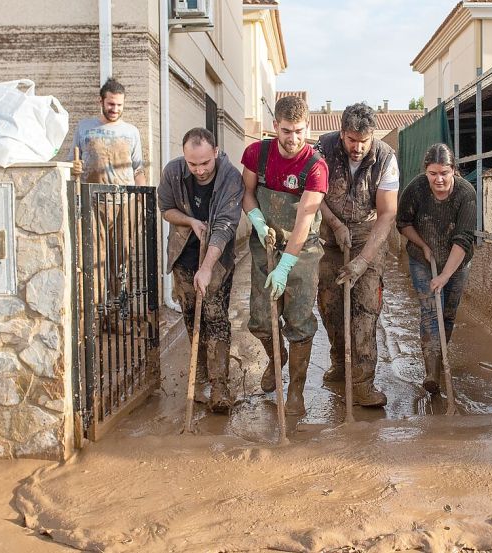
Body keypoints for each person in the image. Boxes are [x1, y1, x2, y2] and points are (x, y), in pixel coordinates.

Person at [240, 95, 328, 416]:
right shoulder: (257, 155)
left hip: (302, 250)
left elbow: (305, 218)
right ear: (275, 126)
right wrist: (258, 221)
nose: (293, 139)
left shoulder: (315, 167)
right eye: (287, 131)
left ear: (308, 127)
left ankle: (296, 391)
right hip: (265, 244)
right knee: (261, 320)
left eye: (299, 131)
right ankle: (277, 359)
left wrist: (287, 265)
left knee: (300, 320)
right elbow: (247, 194)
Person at [314, 103, 399, 408]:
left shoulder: (386, 157)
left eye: (364, 141)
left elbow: (388, 213)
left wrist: (364, 260)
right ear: (342, 133)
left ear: (372, 135)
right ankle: (340, 363)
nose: (358, 147)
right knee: (330, 305)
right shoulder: (322, 148)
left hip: (367, 234)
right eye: (352, 140)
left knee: (365, 309)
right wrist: (335, 225)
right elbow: (312, 195)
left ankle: (363, 383)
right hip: (328, 235)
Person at [157, 128, 243, 413]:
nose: (200, 170)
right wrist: (190, 221)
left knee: (215, 317)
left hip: (217, 257)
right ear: (185, 157)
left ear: (215, 152)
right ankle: (202, 374)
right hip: (183, 253)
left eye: (205, 162)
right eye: (193, 164)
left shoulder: (231, 178)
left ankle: (220, 386)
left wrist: (206, 268)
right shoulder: (173, 172)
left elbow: (225, 226)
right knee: (193, 316)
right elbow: (166, 208)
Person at [396, 143, 476, 395]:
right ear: (425, 171)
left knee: (448, 313)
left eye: (444, 173)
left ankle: (440, 358)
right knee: (431, 310)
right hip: (422, 258)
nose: (438, 179)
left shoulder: (466, 194)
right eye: (433, 173)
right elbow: (403, 223)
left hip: (457, 262)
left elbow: (463, 239)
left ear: (453, 170)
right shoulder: (416, 189)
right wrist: (423, 245)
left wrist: (444, 275)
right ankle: (431, 372)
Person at [71, 78, 147, 330]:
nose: (115, 108)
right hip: (92, 204)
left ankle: (117, 317)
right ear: (101, 101)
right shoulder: (84, 128)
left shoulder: (131, 131)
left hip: (123, 204)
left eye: (119, 104)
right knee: (93, 260)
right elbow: (73, 165)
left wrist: (140, 201)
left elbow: (138, 170)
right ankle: (94, 318)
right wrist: (75, 169)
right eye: (111, 103)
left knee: (120, 262)